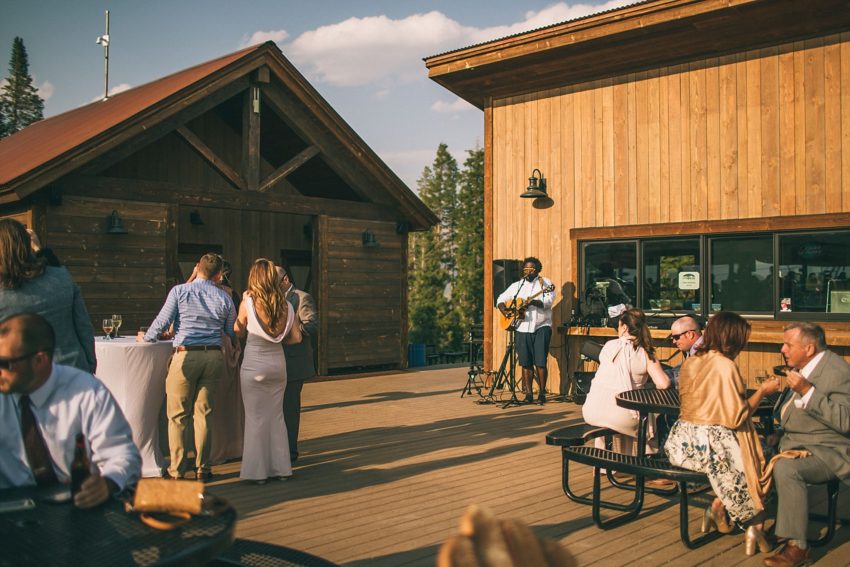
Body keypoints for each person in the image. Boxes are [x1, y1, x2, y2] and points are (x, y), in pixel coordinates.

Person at [664, 312, 780, 556]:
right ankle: (755, 524)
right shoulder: (725, 366)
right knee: (766, 457)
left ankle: (718, 505)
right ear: (734, 339)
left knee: (750, 455)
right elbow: (737, 417)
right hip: (711, 445)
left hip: (682, 443)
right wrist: (763, 391)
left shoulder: (691, 362)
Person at [0, 313, 140, 508]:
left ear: (39, 360)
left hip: (75, 506)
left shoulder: (86, 392)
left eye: (4, 364)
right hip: (9, 509)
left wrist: (108, 483)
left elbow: (123, 455)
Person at [141, 253, 237, 481]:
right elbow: (231, 329)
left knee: (178, 416)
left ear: (198, 268)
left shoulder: (180, 291)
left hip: (186, 355)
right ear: (219, 274)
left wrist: (148, 338)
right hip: (213, 355)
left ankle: (177, 469)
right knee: (204, 414)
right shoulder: (224, 297)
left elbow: (162, 321)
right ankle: (203, 468)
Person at [763, 322, 850, 567]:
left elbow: (845, 421)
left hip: (828, 451)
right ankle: (768, 523)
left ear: (809, 348)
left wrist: (807, 391)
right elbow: (794, 412)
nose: (783, 349)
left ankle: (798, 547)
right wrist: (779, 432)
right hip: (795, 443)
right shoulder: (804, 367)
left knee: (787, 469)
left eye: (788, 345)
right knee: (748, 452)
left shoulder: (837, 371)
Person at [235, 259, 302, 484]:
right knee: (276, 416)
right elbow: (296, 338)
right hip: (278, 365)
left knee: (255, 418)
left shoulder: (248, 302)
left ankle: (257, 473)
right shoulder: (286, 305)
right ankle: (281, 469)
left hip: (254, 364)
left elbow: (238, 330)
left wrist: (241, 324)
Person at [0, 219, 96, 373]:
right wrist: (90, 365)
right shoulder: (61, 276)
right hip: (72, 371)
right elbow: (83, 325)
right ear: (26, 244)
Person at [582, 308, 671, 457]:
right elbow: (663, 383)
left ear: (624, 327)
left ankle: (604, 464)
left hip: (591, 410)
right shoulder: (645, 352)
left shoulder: (608, 346)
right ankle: (648, 461)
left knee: (618, 408)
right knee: (645, 417)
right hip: (621, 416)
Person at [496, 257, 555, 403]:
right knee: (525, 362)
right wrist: (505, 311)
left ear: (537, 270)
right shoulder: (517, 285)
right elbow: (500, 299)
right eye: (526, 269)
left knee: (540, 361)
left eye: (531, 269)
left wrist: (532, 301)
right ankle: (529, 394)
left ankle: (542, 393)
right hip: (522, 327)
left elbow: (548, 302)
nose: (528, 272)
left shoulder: (546, 283)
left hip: (542, 326)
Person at [278, 265, 318, 463]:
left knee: (289, 409)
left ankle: (290, 452)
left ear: (285, 280)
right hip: (275, 361)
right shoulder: (272, 300)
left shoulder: (302, 297)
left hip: (294, 362)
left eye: (274, 283)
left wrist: (290, 332)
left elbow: (311, 324)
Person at [665, 315, 704, 387]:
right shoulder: (694, 349)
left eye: (676, 337)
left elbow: (690, 379)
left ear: (690, 334)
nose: (673, 341)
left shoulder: (704, 351)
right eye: (672, 337)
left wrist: (664, 381)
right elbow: (681, 369)